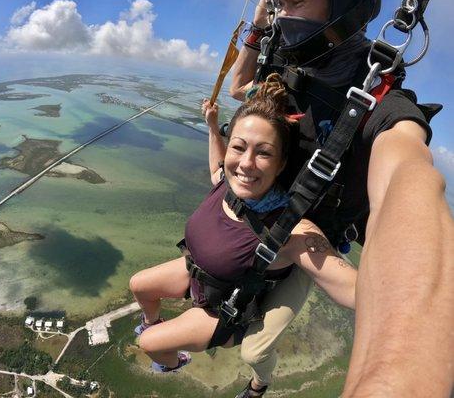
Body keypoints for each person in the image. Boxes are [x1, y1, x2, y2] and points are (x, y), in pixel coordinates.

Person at [230, 0, 454, 397]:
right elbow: (238, 89)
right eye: (278, 3)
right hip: (264, 214)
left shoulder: (381, 101)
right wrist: (258, 30)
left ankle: (259, 383)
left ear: (345, 8)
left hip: (308, 238)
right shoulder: (283, 66)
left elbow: (408, 172)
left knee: (253, 348)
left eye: (294, 0)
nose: (284, 12)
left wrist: (397, 375)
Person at [129, 74, 358, 373]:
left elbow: (355, 291)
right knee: (139, 286)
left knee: (151, 344)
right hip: (198, 276)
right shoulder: (228, 184)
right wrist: (213, 127)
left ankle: (172, 363)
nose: (246, 163)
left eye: (263, 152)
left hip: (221, 312)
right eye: (238, 147)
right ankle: (152, 322)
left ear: (282, 164)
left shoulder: (290, 229)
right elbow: (218, 166)